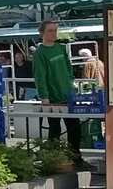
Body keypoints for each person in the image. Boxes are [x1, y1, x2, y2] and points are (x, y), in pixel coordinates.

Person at [32, 21, 84, 165]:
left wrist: (70, 81)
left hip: (67, 95)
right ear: (42, 33)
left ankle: (76, 157)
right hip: (52, 97)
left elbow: (68, 67)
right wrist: (44, 96)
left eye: (55, 30)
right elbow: (39, 76)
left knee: (75, 128)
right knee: (55, 129)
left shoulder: (61, 48)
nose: (53, 33)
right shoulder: (39, 53)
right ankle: (52, 159)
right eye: (50, 31)